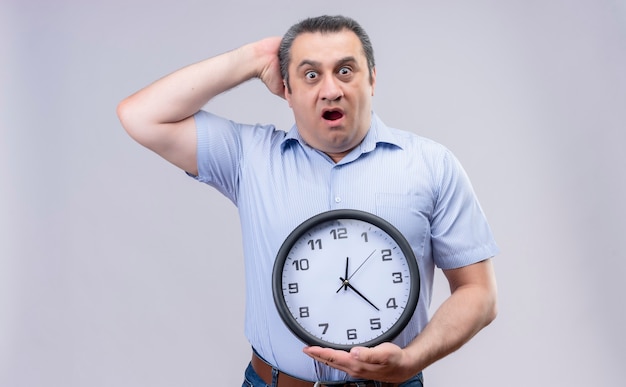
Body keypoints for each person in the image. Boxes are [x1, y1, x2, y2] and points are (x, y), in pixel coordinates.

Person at [117, 15, 498, 387]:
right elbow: (140, 116)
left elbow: (478, 292)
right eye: (311, 75)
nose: (331, 89)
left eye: (346, 71)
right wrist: (251, 58)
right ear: (287, 90)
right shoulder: (248, 157)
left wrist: (412, 359)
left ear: (373, 79)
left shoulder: (432, 165)